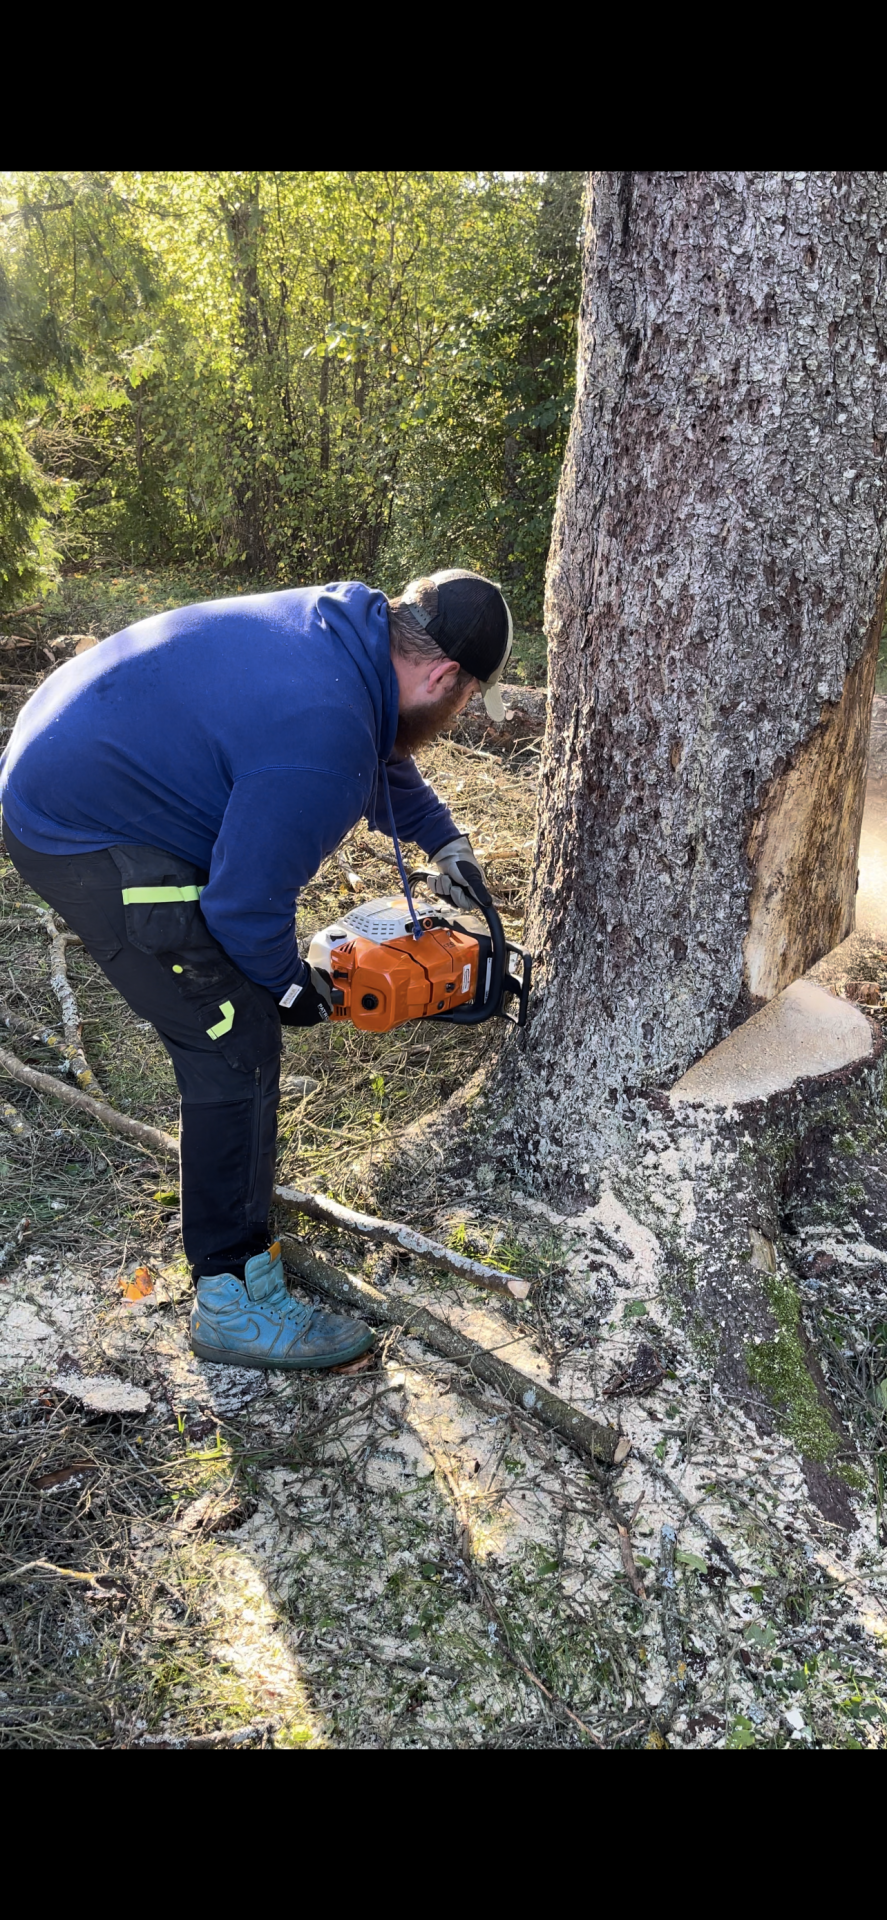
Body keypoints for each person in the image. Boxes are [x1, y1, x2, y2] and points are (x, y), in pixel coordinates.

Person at [0, 570, 513, 1371]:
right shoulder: (327, 734)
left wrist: (440, 838)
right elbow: (244, 907)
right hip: (81, 828)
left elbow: (376, 739)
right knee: (235, 1040)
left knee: (238, 1001)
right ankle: (232, 1297)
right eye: (462, 701)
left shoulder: (347, 626)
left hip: (72, 756)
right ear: (446, 678)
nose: (450, 717)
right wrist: (286, 990)